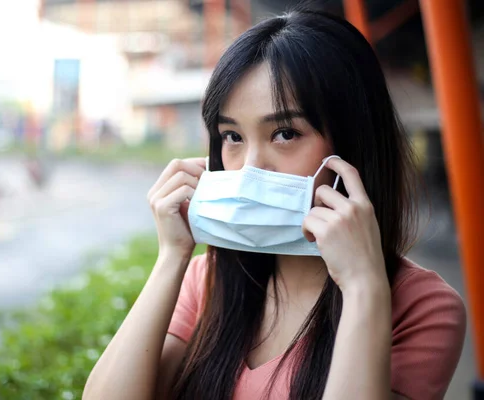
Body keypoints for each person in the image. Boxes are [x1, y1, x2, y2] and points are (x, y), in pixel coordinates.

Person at [82, 8, 466, 400]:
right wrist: (172, 257)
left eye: (284, 133)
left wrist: (363, 287)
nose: (250, 169)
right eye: (232, 136)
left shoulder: (423, 308)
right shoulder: (208, 279)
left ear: (353, 144)